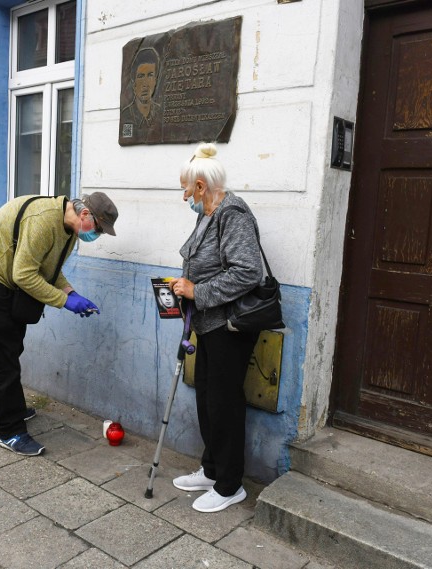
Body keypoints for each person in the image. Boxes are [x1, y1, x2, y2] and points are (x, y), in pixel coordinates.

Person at [0, 192, 118, 456]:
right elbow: (24, 275)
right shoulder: (44, 219)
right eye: (99, 229)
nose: (97, 236)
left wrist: (70, 292)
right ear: (85, 214)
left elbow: (49, 270)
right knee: (2, 357)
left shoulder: (68, 229)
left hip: (0, 283)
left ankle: (3, 412)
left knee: (9, 350)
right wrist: (64, 301)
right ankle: (10, 431)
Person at [168, 142, 263, 513]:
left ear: (202, 187)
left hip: (230, 326)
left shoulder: (232, 213)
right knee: (208, 398)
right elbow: (201, 260)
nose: (184, 196)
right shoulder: (206, 214)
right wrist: (181, 287)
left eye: (186, 188)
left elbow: (248, 271)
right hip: (208, 324)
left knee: (224, 402)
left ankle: (229, 485)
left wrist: (197, 290)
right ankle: (211, 470)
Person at [120, 47, 161, 140]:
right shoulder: (126, 116)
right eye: (141, 76)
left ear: (155, 80)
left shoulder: (161, 113)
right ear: (133, 82)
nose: (145, 84)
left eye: (150, 75)